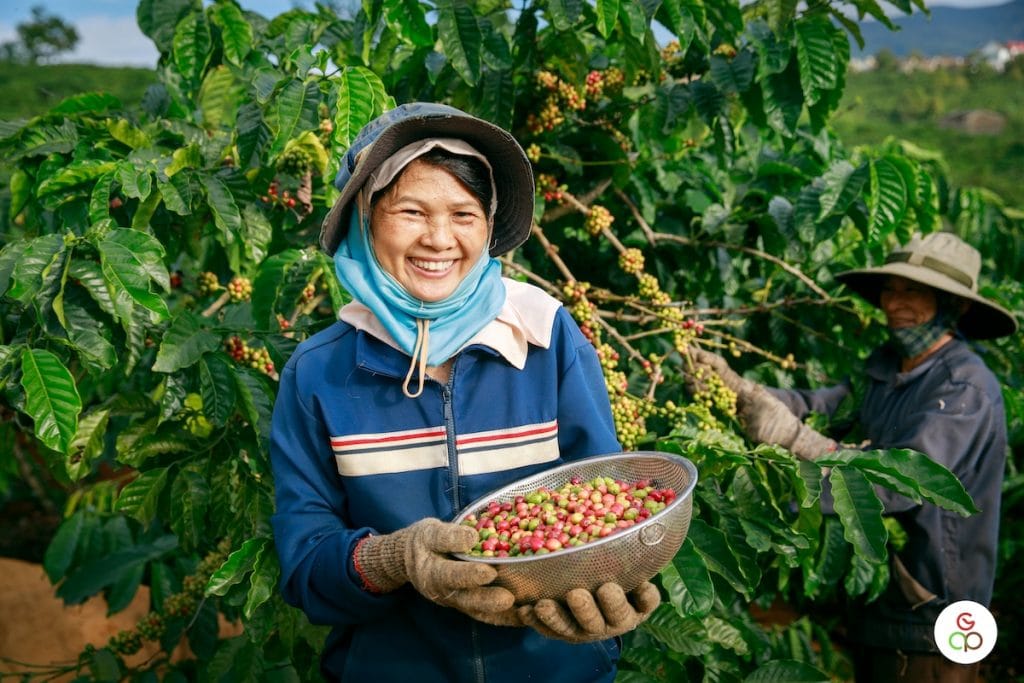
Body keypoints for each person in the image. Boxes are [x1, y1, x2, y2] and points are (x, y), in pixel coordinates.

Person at [269, 102, 660, 683]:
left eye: (464, 214)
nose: (439, 239)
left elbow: (604, 501)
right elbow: (305, 565)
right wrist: (392, 559)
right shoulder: (320, 372)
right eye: (410, 211)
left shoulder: (545, 336)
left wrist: (615, 582)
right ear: (364, 217)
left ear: (489, 224)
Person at [686, 231, 1016, 682]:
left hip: (934, 617)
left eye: (913, 290)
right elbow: (823, 406)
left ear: (954, 305)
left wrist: (797, 440)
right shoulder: (884, 368)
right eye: (890, 289)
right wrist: (741, 391)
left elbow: (896, 482)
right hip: (879, 608)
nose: (894, 302)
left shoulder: (963, 390)